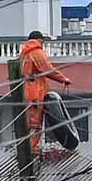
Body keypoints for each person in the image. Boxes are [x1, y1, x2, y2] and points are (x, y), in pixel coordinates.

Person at [19, 30, 76, 158]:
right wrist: (63, 79)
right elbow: (48, 70)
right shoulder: (36, 52)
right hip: (35, 92)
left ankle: (27, 148)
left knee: (27, 124)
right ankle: (31, 151)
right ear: (39, 40)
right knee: (35, 124)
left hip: (24, 92)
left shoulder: (23, 53)